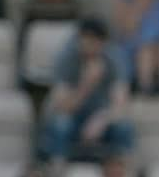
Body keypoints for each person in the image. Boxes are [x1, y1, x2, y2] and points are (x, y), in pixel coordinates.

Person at [39, 18, 134, 162]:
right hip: (74, 118)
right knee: (60, 125)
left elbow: (121, 104)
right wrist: (86, 84)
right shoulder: (67, 58)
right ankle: (57, 172)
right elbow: (62, 107)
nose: (89, 46)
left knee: (124, 128)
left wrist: (102, 119)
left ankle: (123, 175)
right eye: (85, 40)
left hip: (101, 119)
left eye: (94, 42)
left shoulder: (114, 59)